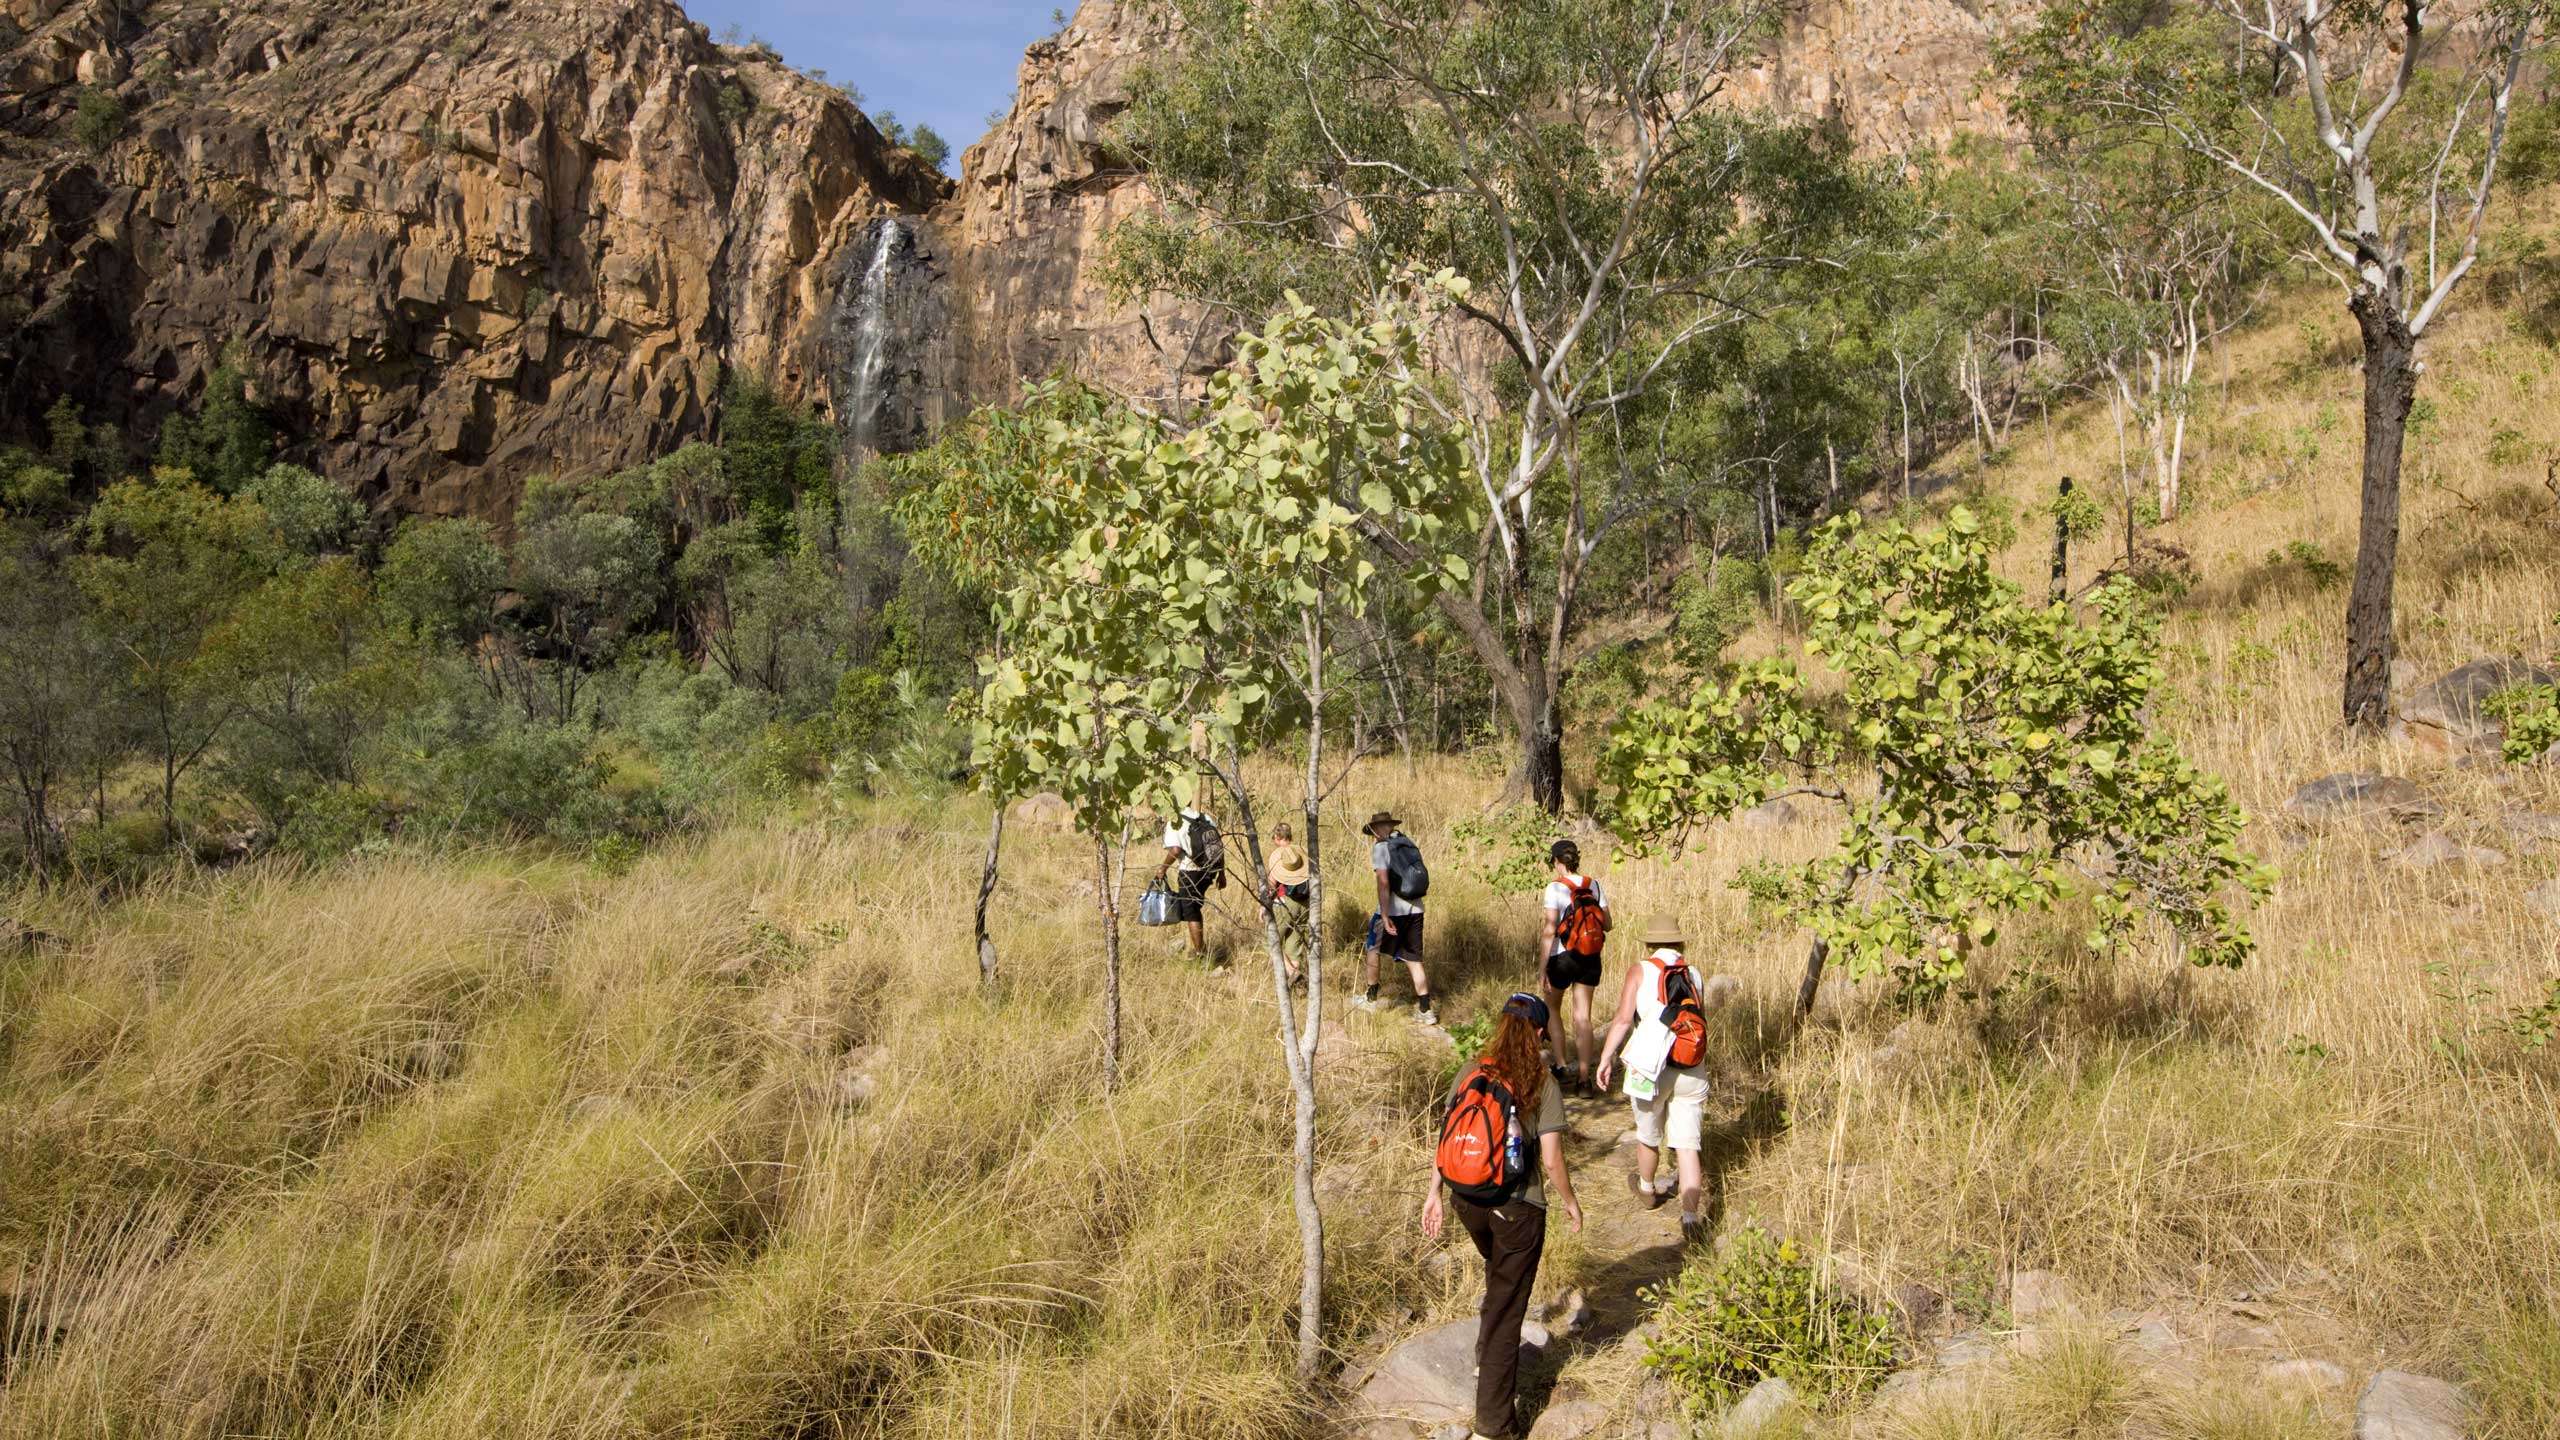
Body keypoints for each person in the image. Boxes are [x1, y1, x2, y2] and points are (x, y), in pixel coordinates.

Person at [1423, 993, 1582, 1440]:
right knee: (1509, 1306)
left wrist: (1434, 1194)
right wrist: (1570, 1201)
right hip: (1517, 1206)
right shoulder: (1540, 1080)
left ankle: (1482, 1360)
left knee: (1500, 1279)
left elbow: (1446, 1137)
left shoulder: (1471, 1070)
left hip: (1466, 1199)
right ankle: (1494, 1423)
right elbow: (1550, 1160)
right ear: (1536, 1032)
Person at [1595, 918, 1711, 1241]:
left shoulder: (1640, 970)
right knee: (1688, 1147)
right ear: (1679, 944)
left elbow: (1621, 1020)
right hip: (1691, 1066)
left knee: (1649, 1135)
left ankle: (1647, 1188)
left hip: (1652, 1067)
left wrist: (1605, 1058)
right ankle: (1690, 1218)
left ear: (1649, 945)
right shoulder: (1694, 973)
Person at [1537, 839, 1610, 1094]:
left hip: (1562, 957)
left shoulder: (1554, 888)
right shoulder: (1595, 885)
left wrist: (1542, 967)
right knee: (1583, 1017)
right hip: (1590, 957)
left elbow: (1549, 929)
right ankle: (1583, 1079)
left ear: (1557, 861)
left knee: (1553, 1009)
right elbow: (1608, 924)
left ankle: (1561, 1066)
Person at [1352, 809, 1433, 1026]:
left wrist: (1385, 915)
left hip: (1392, 911)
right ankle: (1426, 1010)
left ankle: (1371, 997)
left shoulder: (1381, 848)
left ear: (1376, 830)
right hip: (1416, 908)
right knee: (1414, 958)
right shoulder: (1407, 842)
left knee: (1373, 949)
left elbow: (1383, 883)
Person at [1157, 801, 1225, 969]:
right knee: (1194, 907)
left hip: (1190, 872)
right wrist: (1221, 873)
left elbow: (1175, 850)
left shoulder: (1176, 821)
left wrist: (1162, 869)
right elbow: (1217, 847)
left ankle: (1201, 955)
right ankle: (1198, 948)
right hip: (1209, 871)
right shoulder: (1205, 818)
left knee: (1191, 912)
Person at [1266, 822, 1313, 986]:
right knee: (1294, 946)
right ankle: (1296, 983)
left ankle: (1294, 973)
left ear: (1278, 837)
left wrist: (1264, 905)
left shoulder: (1280, 856)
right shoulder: (1300, 854)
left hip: (1285, 903)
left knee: (1273, 941)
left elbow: (1272, 884)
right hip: (1305, 904)